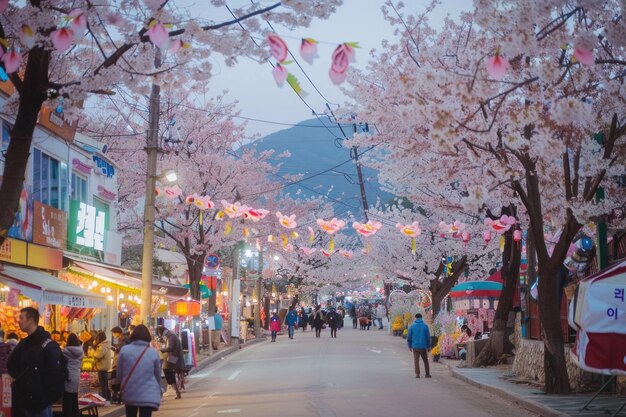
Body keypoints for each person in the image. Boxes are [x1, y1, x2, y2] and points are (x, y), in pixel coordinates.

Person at [7, 307, 66, 417]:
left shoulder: (48, 345)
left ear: (31, 320)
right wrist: (22, 379)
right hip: (24, 401)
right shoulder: (23, 343)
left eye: (21, 317)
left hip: (41, 404)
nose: (18, 320)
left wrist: (43, 395)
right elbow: (10, 364)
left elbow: (55, 374)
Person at [117, 324, 162, 417]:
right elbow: (158, 375)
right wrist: (159, 389)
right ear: (147, 337)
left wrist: (122, 385)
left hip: (129, 391)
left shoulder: (124, 350)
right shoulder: (153, 353)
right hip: (148, 393)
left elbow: (119, 374)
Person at [156, 326, 183, 399]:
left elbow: (170, 348)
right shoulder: (170, 335)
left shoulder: (170, 336)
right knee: (168, 371)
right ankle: (176, 390)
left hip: (174, 358)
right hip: (174, 357)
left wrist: (161, 349)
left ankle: (174, 388)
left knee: (166, 369)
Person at [63, 333, 84, 417]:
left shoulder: (64, 351)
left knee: (67, 399)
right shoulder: (81, 351)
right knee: (74, 398)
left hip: (68, 376)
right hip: (76, 375)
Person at [407, 313, 431, 378]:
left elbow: (409, 337)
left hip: (415, 346)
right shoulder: (425, 326)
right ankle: (427, 374)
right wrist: (428, 346)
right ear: (421, 318)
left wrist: (409, 346)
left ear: (415, 318)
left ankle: (417, 374)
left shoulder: (412, 326)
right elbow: (428, 337)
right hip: (423, 346)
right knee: (425, 360)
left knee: (416, 360)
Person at [111, 326, 130, 404]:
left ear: (117, 332)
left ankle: (119, 398)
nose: (113, 335)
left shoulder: (122, 340)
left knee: (118, 380)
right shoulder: (124, 339)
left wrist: (116, 350)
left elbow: (122, 352)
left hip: (121, 363)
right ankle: (121, 398)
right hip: (124, 363)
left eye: (113, 333)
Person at [92, 331, 112, 401]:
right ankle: (108, 399)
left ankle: (105, 399)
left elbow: (98, 355)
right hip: (105, 367)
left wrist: (93, 352)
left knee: (103, 385)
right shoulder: (106, 345)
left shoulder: (102, 346)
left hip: (102, 367)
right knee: (105, 384)